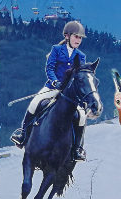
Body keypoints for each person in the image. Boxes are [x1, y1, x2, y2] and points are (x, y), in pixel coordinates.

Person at [10, 21, 89, 161]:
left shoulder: (81, 55)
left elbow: (79, 76)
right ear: (67, 36)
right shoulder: (56, 49)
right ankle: (23, 134)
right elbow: (50, 68)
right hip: (52, 87)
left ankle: (77, 148)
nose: (78, 40)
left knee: (82, 115)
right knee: (35, 103)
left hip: (70, 93)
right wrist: (54, 81)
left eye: (80, 38)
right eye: (76, 36)